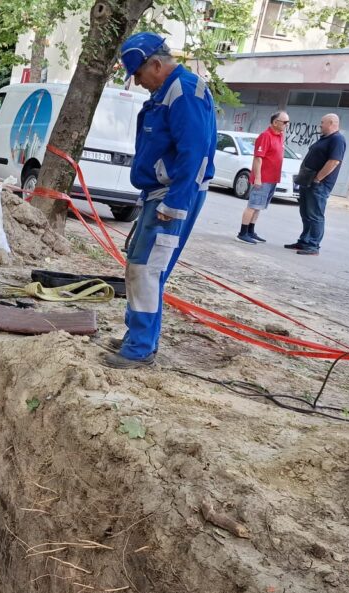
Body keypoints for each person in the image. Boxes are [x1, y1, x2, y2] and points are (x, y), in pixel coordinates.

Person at [104, 32, 217, 369]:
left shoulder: (183, 92)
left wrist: (174, 204)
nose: (138, 83)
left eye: (138, 75)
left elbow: (195, 153)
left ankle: (140, 348)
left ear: (155, 64)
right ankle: (138, 337)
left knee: (146, 269)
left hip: (173, 196)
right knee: (142, 268)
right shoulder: (167, 92)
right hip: (159, 194)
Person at [287, 114, 345, 256]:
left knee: (315, 215)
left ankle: (313, 245)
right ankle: (304, 241)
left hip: (319, 184)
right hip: (307, 181)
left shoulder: (337, 139)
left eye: (322, 123)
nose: (320, 125)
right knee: (305, 213)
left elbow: (334, 161)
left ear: (331, 123)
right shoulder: (324, 139)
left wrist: (318, 178)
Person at [236, 111, 289, 245]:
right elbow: (258, 159)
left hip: (272, 178)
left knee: (259, 206)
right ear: (275, 122)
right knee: (253, 205)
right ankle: (242, 232)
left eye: (288, 122)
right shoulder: (266, 136)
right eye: (284, 122)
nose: (286, 125)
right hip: (263, 177)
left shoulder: (281, 136)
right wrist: (258, 177)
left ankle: (251, 230)